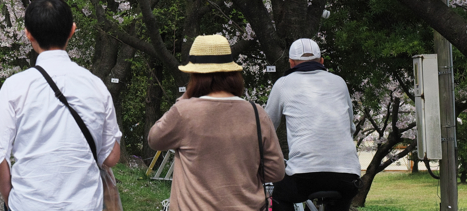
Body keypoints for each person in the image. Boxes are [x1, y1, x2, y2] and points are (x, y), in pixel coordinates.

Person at [0, 0, 122, 211]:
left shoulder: (15, 86)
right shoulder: (96, 86)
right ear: (72, 30)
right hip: (85, 205)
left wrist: (11, 200)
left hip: (28, 205)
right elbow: (111, 156)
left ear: (28, 33)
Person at [149, 34, 285, 211]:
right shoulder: (256, 113)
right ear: (232, 74)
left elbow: (154, 140)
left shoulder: (184, 112)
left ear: (195, 75)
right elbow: (275, 171)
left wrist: (184, 98)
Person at [265, 38, 361, 211]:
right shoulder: (339, 82)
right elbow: (350, 127)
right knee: (342, 200)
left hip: (304, 175)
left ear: (291, 62)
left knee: (280, 196)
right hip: (347, 175)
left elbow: (266, 126)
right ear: (321, 61)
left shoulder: (283, 84)